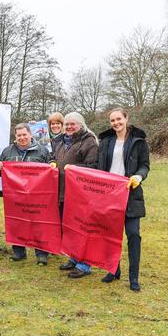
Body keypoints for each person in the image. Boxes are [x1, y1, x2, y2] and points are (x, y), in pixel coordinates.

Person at [95, 107, 150, 291]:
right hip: (108, 195)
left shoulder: (139, 141)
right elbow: (96, 166)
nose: (116, 123)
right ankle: (113, 269)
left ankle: (133, 277)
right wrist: (74, 168)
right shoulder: (105, 141)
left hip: (130, 195)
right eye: (112, 120)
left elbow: (144, 165)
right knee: (110, 235)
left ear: (126, 119)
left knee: (133, 235)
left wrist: (139, 177)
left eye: (119, 119)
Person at [0, 122, 51, 264]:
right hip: (15, 195)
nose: (22, 138)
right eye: (19, 135)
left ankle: (41, 253)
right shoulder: (7, 151)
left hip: (37, 194)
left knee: (38, 223)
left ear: (30, 134)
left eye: (24, 134)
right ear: (15, 136)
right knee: (17, 222)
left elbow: (50, 171)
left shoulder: (42, 151)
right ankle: (19, 252)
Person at [53, 112, 99, 278]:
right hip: (63, 191)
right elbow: (55, 158)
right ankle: (73, 257)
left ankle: (84, 265)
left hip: (81, 194)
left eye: (73, 124)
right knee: (69, 228)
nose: (69, 127)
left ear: (81, 124)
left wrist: (73, 168)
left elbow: (93, 166)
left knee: (82, 229)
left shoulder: (89, 142)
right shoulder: (61, 141)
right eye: (67, 124)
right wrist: (52, 162)